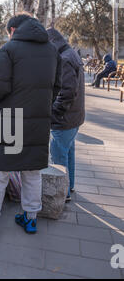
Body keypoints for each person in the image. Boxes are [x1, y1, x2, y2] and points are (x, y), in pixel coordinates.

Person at [0, 13, 61, 238]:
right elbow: (57, 87)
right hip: (38, 122)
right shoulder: (52, 50)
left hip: (9, 121)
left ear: (12, 30)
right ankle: (30, 219)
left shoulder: (9, 50)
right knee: (32, 173)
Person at [47, 28, 85, 202]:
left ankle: (63, 194)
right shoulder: (71, 54)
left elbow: (67, 92)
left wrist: (55, 112)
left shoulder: (64, 59)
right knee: (68, 152)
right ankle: (69, 186)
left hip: (64, 119)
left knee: (58, 157)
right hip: (74, 117)